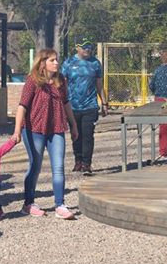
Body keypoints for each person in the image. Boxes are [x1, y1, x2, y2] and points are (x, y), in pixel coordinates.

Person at [12, 48, 79, 220]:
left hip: (56, 128)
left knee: (58, 167)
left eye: (57, 60)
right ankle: (28, 203)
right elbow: (22, 106)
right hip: (34, 129)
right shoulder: (32, 81)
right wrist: (17, 130)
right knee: (35, 165)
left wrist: (73, 125)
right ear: (42, 63)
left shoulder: (60, 81)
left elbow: (66, 103)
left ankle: (60, 205)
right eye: (52, 60)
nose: (56, 63)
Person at [60, 37, 107, 174]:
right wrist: (61, 104)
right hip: (72, 106)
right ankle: (78, 161)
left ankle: (87, 163)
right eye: (84, 47)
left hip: (90, 106)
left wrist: (104, 102)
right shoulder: (68, 63)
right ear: (77, 48)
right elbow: (63, 85)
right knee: (76, 134)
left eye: (89, 47)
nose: (87, 49)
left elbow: (99, 84)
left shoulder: (95, 64)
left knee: (87, 135)